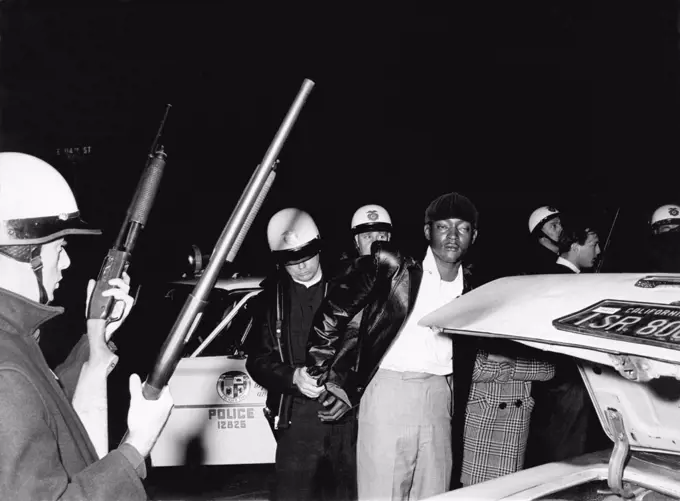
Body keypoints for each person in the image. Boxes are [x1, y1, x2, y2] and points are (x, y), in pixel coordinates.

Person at [0, 152, 174, 500]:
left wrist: (96, 337)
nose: (64, 263)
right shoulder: (6, 371)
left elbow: (49, 412)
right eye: (58, 248)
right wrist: (137, 445)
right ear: (24, 253)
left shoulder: (15, 342)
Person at [303, 192, 487, 500]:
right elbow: (332, 314)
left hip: (440, 397)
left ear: (474, 236)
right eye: (443, 226)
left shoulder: (473, 285)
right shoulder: (395, 266)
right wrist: (330, 380)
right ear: (428, 231)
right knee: (383, 493)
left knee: (435, 493)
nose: (453, 236)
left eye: (463, 228)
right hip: (389, 390)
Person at [246, 208, 353, 501]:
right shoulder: (269, 300)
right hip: (295, 415)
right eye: (292, 261)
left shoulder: (348, 288)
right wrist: (292, 377)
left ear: (319, 248)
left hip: (346, 414)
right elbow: (256, 361)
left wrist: (348, 391)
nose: (302, 266)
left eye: (306, 256)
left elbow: (368, 350)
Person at [525, 218, 608, 467]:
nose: (598, 251)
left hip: (559, 382)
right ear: (574, 246)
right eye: (593, 244)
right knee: (567, 457)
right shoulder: (565, 282)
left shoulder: (551, 275)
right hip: (566, 381)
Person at [524, 206, 563, 274]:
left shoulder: (562, 255)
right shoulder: (539, 264)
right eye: (554, 225)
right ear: (539, 233)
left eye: (560, 224)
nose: (560, 228)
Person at [645, 204, 680, 272]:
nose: (673, 232)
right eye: (666, 228)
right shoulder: (647, 257)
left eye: (678, 229)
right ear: (655, 231)